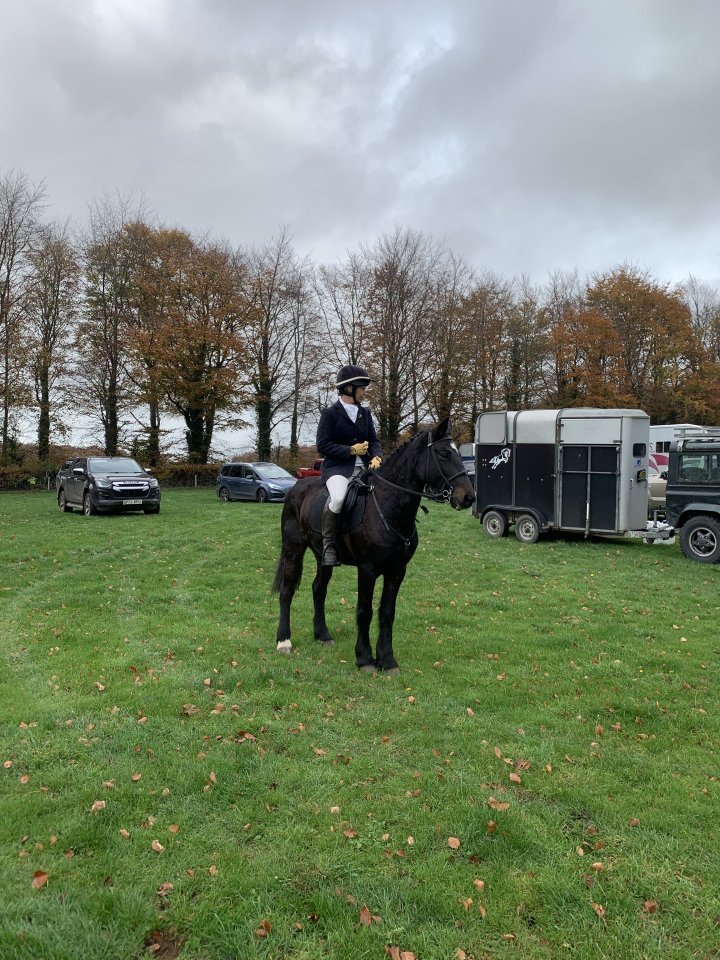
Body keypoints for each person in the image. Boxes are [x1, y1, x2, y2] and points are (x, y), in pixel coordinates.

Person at [316, 364, 383, 565]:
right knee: (338, 498)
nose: (364, 392)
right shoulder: (330, 414)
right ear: (348, 388)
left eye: (364, 388)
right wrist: (350, 450)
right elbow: (322, 445)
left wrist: (377, 456)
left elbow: (374, 441)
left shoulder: (365, 413)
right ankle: (328, 544)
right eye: (361, 388)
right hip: (338, 469)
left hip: (365, 468)